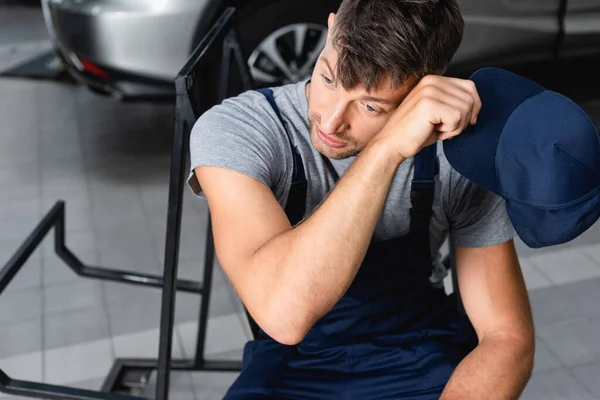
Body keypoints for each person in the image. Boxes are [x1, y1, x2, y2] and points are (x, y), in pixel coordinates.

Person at [187, 0, 535, 398]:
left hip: (422, 358)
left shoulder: (459, 155)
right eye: (329, 79)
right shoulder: (238, 130)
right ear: (332, 28)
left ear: (426, 85)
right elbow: (284, 315)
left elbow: (506, 335)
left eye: (370, 105)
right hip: (292, 364)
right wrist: (386, 150)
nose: (331, 121)